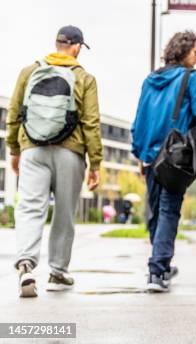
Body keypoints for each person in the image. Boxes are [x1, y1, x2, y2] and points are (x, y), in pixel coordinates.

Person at [8, 26, 102, 298]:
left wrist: (15, 149)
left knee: (29, 208)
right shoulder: (84, 78)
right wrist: (95, 164)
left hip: (32, 150)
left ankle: (26, 265)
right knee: (64, 212)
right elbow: (91, 123)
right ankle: (58, 273)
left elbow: (14, 112)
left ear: (56, 43)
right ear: (76, 47)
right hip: (69, 153)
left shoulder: (29, 71)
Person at [131, 30, 196, 293]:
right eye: (195, 52)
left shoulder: (150, 79)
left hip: (149, 156)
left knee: (155, 211)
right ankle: (157, 270)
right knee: (168, 210)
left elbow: (139, 119)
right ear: (184, 51)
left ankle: (161, 265)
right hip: (174, 156)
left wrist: (139, 153)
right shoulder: (192, 78)